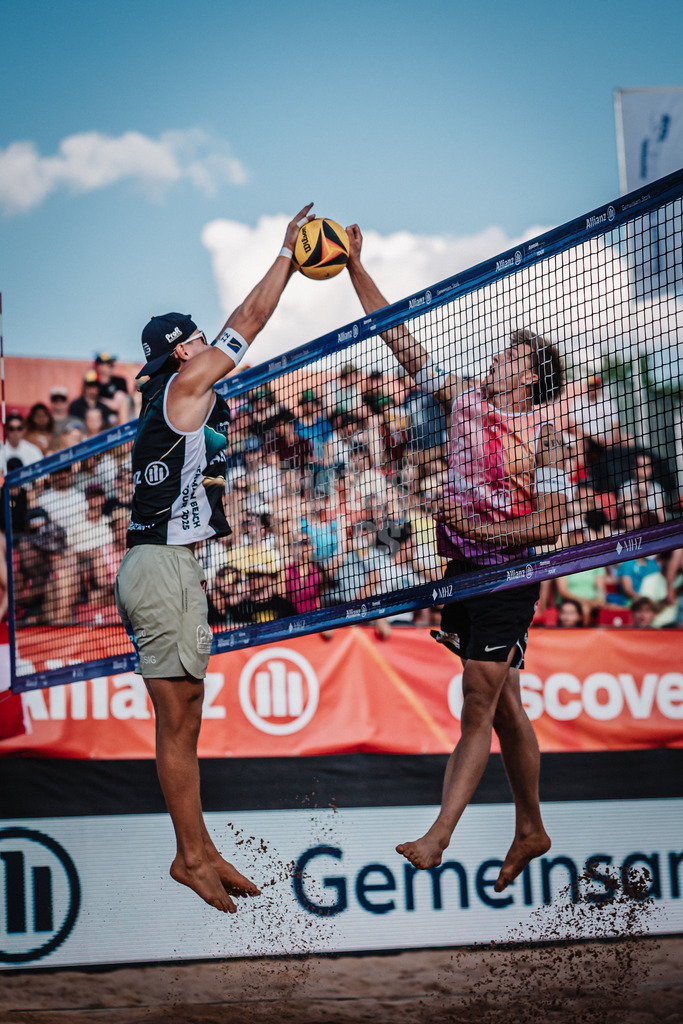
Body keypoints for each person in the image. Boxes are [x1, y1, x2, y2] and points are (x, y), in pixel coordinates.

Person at [345, 222, 569, 891]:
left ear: (530, 375)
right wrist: (356, 268)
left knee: (477, 702)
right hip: (462, 572)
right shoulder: (463, 399)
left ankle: (438, 837)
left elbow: (552, 523)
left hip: (509, 575)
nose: (497, 357)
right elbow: (399, 339)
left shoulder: (546, 436)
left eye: (510, 355)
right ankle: (530, 828)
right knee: (503, 705)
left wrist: (481, 529)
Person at [114, 202, 315, 915]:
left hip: (169, 566)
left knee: (187, 717)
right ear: (181, 352)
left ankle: (197, 848)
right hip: (159, 566)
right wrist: (287, 256)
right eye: (198, 337)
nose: (208, 342)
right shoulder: (184, 385)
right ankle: (190, 855)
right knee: (178, 723)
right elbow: (249, 320)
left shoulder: (179, 399)